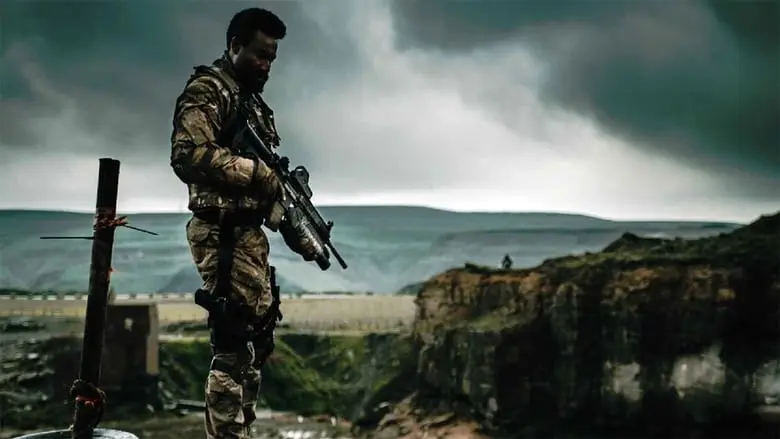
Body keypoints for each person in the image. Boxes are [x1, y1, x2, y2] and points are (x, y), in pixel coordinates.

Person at [169, 8, 315, 438]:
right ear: (234, 45)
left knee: (256, 340)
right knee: (232, 346)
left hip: (248, 236)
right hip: (223, 234)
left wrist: (293, 223)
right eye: (259, 55)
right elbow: (188, 155)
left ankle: (241, 431)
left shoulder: (251, 104)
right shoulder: (209, 90)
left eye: (272, 58)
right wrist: (255, 173)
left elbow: (267, 187)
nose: (266, 65)